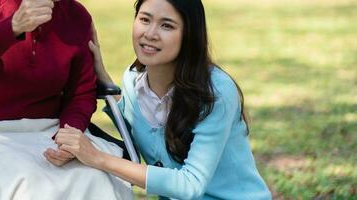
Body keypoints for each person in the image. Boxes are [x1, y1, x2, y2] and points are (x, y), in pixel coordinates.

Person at [48, 0, 272, 199]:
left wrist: (98, 158)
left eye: (167, 25)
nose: (151, 33)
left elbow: (189, 185)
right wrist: (103, 77)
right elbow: (140, 132)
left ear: (189, 35)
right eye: (145, 19)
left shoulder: (216, 91)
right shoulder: (133, 79)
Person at [0, 0, 133, 199]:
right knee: (28, 183)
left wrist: (68, 135)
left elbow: (80, 94)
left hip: (47, 131)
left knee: (97, 176)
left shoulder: (76, 15)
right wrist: (14, 26)